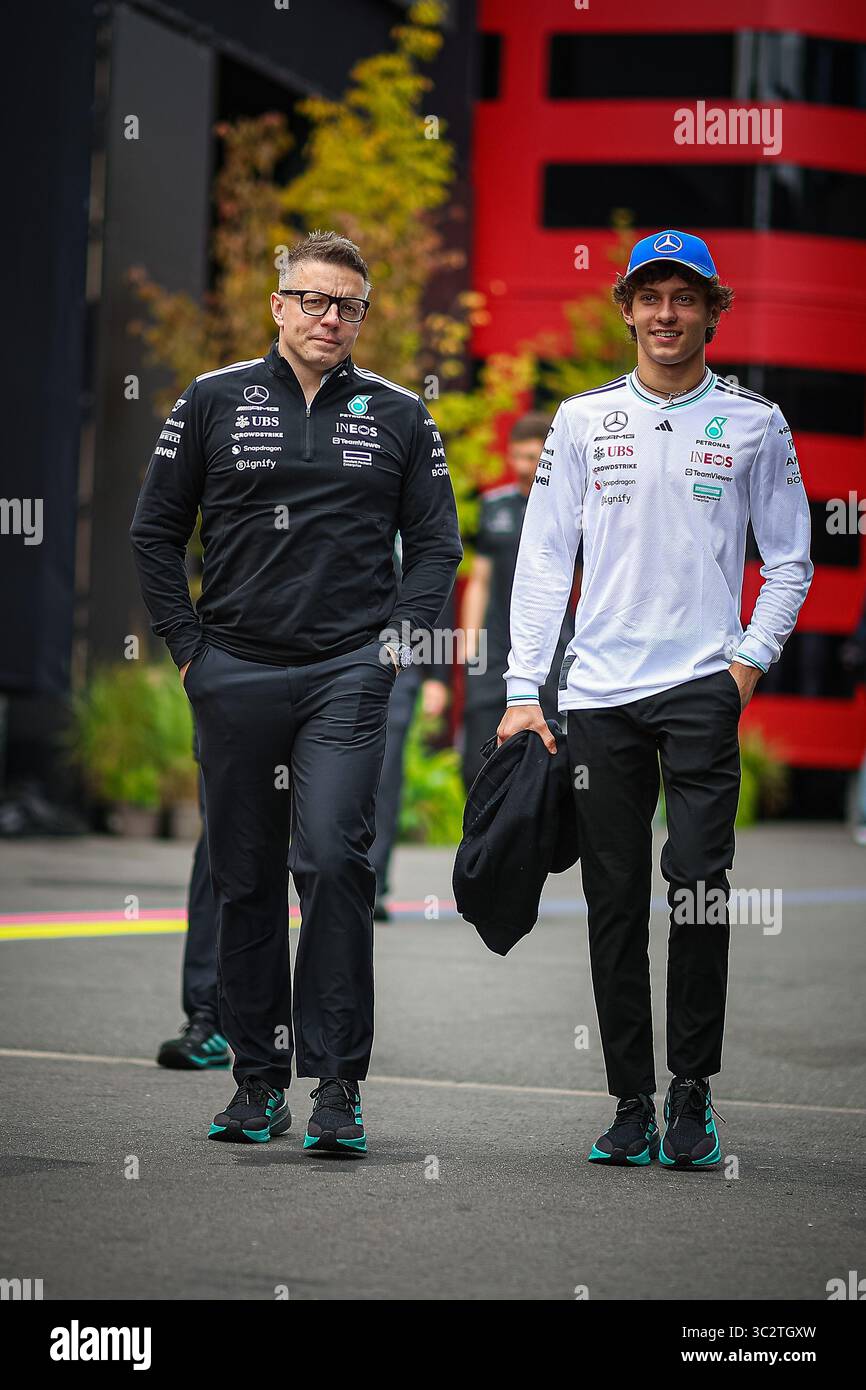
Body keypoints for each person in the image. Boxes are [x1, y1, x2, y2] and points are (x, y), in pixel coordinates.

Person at [131, 230, 462, 1151]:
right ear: (279, 305)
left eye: (349, 306)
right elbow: (154, 532)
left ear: (364, 317)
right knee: (243, 882)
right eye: (314, 300)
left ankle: (339, 1087)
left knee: (331, 863)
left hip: (345, 675)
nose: (330, 318)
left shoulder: (399, 415)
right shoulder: (212, 399)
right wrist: (190, 650)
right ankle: (256, 1085)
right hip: (232, 670)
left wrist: (395, 646)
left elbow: (438, 543)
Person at [498, 229, 813, 1169]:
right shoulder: (582, 419)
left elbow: (791, 558)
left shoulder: (757, 421)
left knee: (700, 889)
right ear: (626, 310)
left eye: (685, 297)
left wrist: (745, 667)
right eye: (650, 296)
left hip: (702, 690)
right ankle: (631, 1100)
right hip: (599, 696)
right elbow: (546, 557)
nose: (666, 313)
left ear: (714, 310)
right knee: (613, 900)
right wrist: (524, 687)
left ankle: (691, 1095)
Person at [460, 414, 578, 790]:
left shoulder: (573, 511)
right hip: (494, 641)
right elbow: (479, 579)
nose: (524, 466)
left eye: (533, 457)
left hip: (553, 640)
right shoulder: (493, 507)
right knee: (479, 744)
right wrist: (468, 641)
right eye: (518, 456)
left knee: (551, 739)